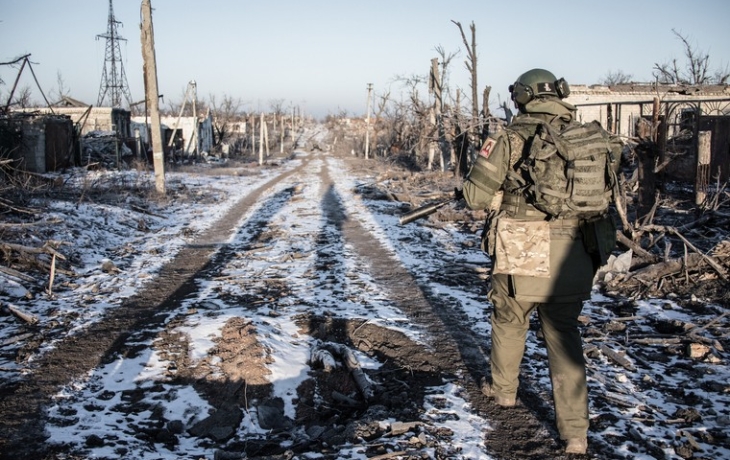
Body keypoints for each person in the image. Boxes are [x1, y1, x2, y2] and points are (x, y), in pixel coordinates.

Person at [462, 68, 621, 455]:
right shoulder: (587, 138)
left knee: (510, 316)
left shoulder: (509, 137)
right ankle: (575, 435)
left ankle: (503, 392)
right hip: (576, 249)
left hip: (523, 242)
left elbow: (474, 197)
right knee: (564, 334)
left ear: (522, 96)